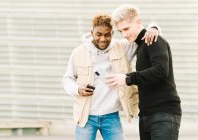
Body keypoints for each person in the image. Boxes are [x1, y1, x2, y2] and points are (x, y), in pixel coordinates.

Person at [63, 13, 159, 140]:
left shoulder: (123, 47)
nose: (103, 39)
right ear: (91, 33)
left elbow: (143, 37)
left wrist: (154, 28)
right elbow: (67, 79)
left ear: (112, 34)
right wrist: (77, 89)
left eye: (107, 34)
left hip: (111, 116)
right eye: (99, 34)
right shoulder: (78, 52)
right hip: (86, 116)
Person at [106, 4, 182, 140]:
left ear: (138, 22)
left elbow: (161, 70)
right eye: (121, 31)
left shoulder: (153, 39)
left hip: (163, 113)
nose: (124, 34)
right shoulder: (139, 44)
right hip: (147, 113)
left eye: (126, 29)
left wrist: (127, 78)